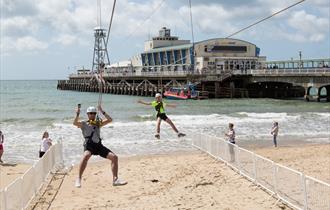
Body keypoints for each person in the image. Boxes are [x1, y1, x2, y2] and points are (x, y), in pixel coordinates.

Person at [73, 105, 127, 188]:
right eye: (90, 113)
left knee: (114, 157)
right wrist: (77, 114)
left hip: (98, 145)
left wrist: (102, 111)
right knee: (86, 156)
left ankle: (115, 180)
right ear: (87, 114)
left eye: (94, 113)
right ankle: (79, 179)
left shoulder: (98, 123)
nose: (92, 115)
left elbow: (110, 120)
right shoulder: (84, 124)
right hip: (89, 145)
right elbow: (75, 123)